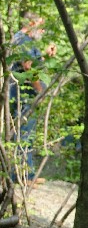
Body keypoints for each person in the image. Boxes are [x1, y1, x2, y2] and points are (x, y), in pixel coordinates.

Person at [9, 13, 53, 186]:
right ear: (32, 23)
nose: (42, 30)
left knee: (28, 132)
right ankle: (21, 176)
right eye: (41, 26)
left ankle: (27, 174)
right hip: (24, 95)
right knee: (24, 132)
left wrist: (46, 56)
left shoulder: (27, 41)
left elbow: (32, 63)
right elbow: (28, 67)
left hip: (27, 95)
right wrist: (40, 91)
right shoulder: (22, 40)